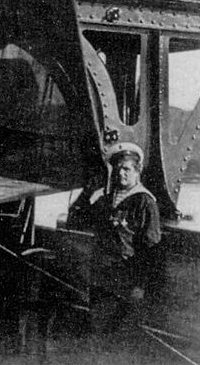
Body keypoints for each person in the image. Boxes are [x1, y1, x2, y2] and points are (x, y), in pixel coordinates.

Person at [68, 141, 162, 333]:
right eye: (118, 169)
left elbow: (151, 247)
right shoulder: (105, 200)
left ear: (137, 171)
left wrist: (140, 285)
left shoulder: (145, 202)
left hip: (126, 280)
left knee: (118, 333)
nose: (121, 173)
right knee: (97, 328)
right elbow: (75, 219)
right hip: (100, 277)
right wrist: (87, 191)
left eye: (127, 169)